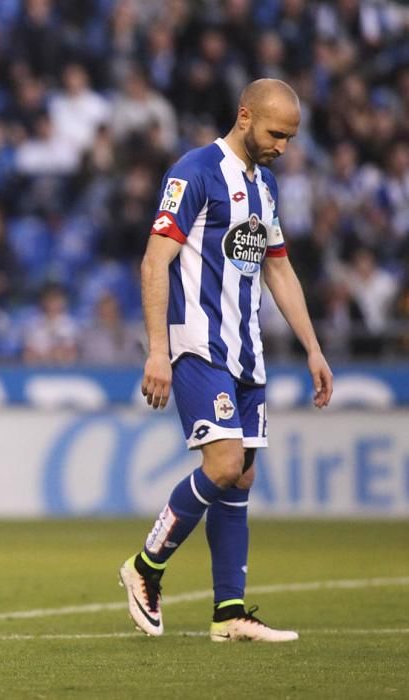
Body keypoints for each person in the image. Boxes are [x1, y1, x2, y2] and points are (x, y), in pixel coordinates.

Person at [119, 79, 334, 642]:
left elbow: (279, 269)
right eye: (275, 134)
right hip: (197, 345)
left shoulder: (264, 188)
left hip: (247, 354)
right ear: (245, 116)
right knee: (222, 463)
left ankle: (229, 613)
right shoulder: (193, 172)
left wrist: (313, 348)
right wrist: (158, 351)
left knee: (241, 476)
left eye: (290, 138)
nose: (282, 146)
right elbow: (153, 262)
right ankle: (145, 567)